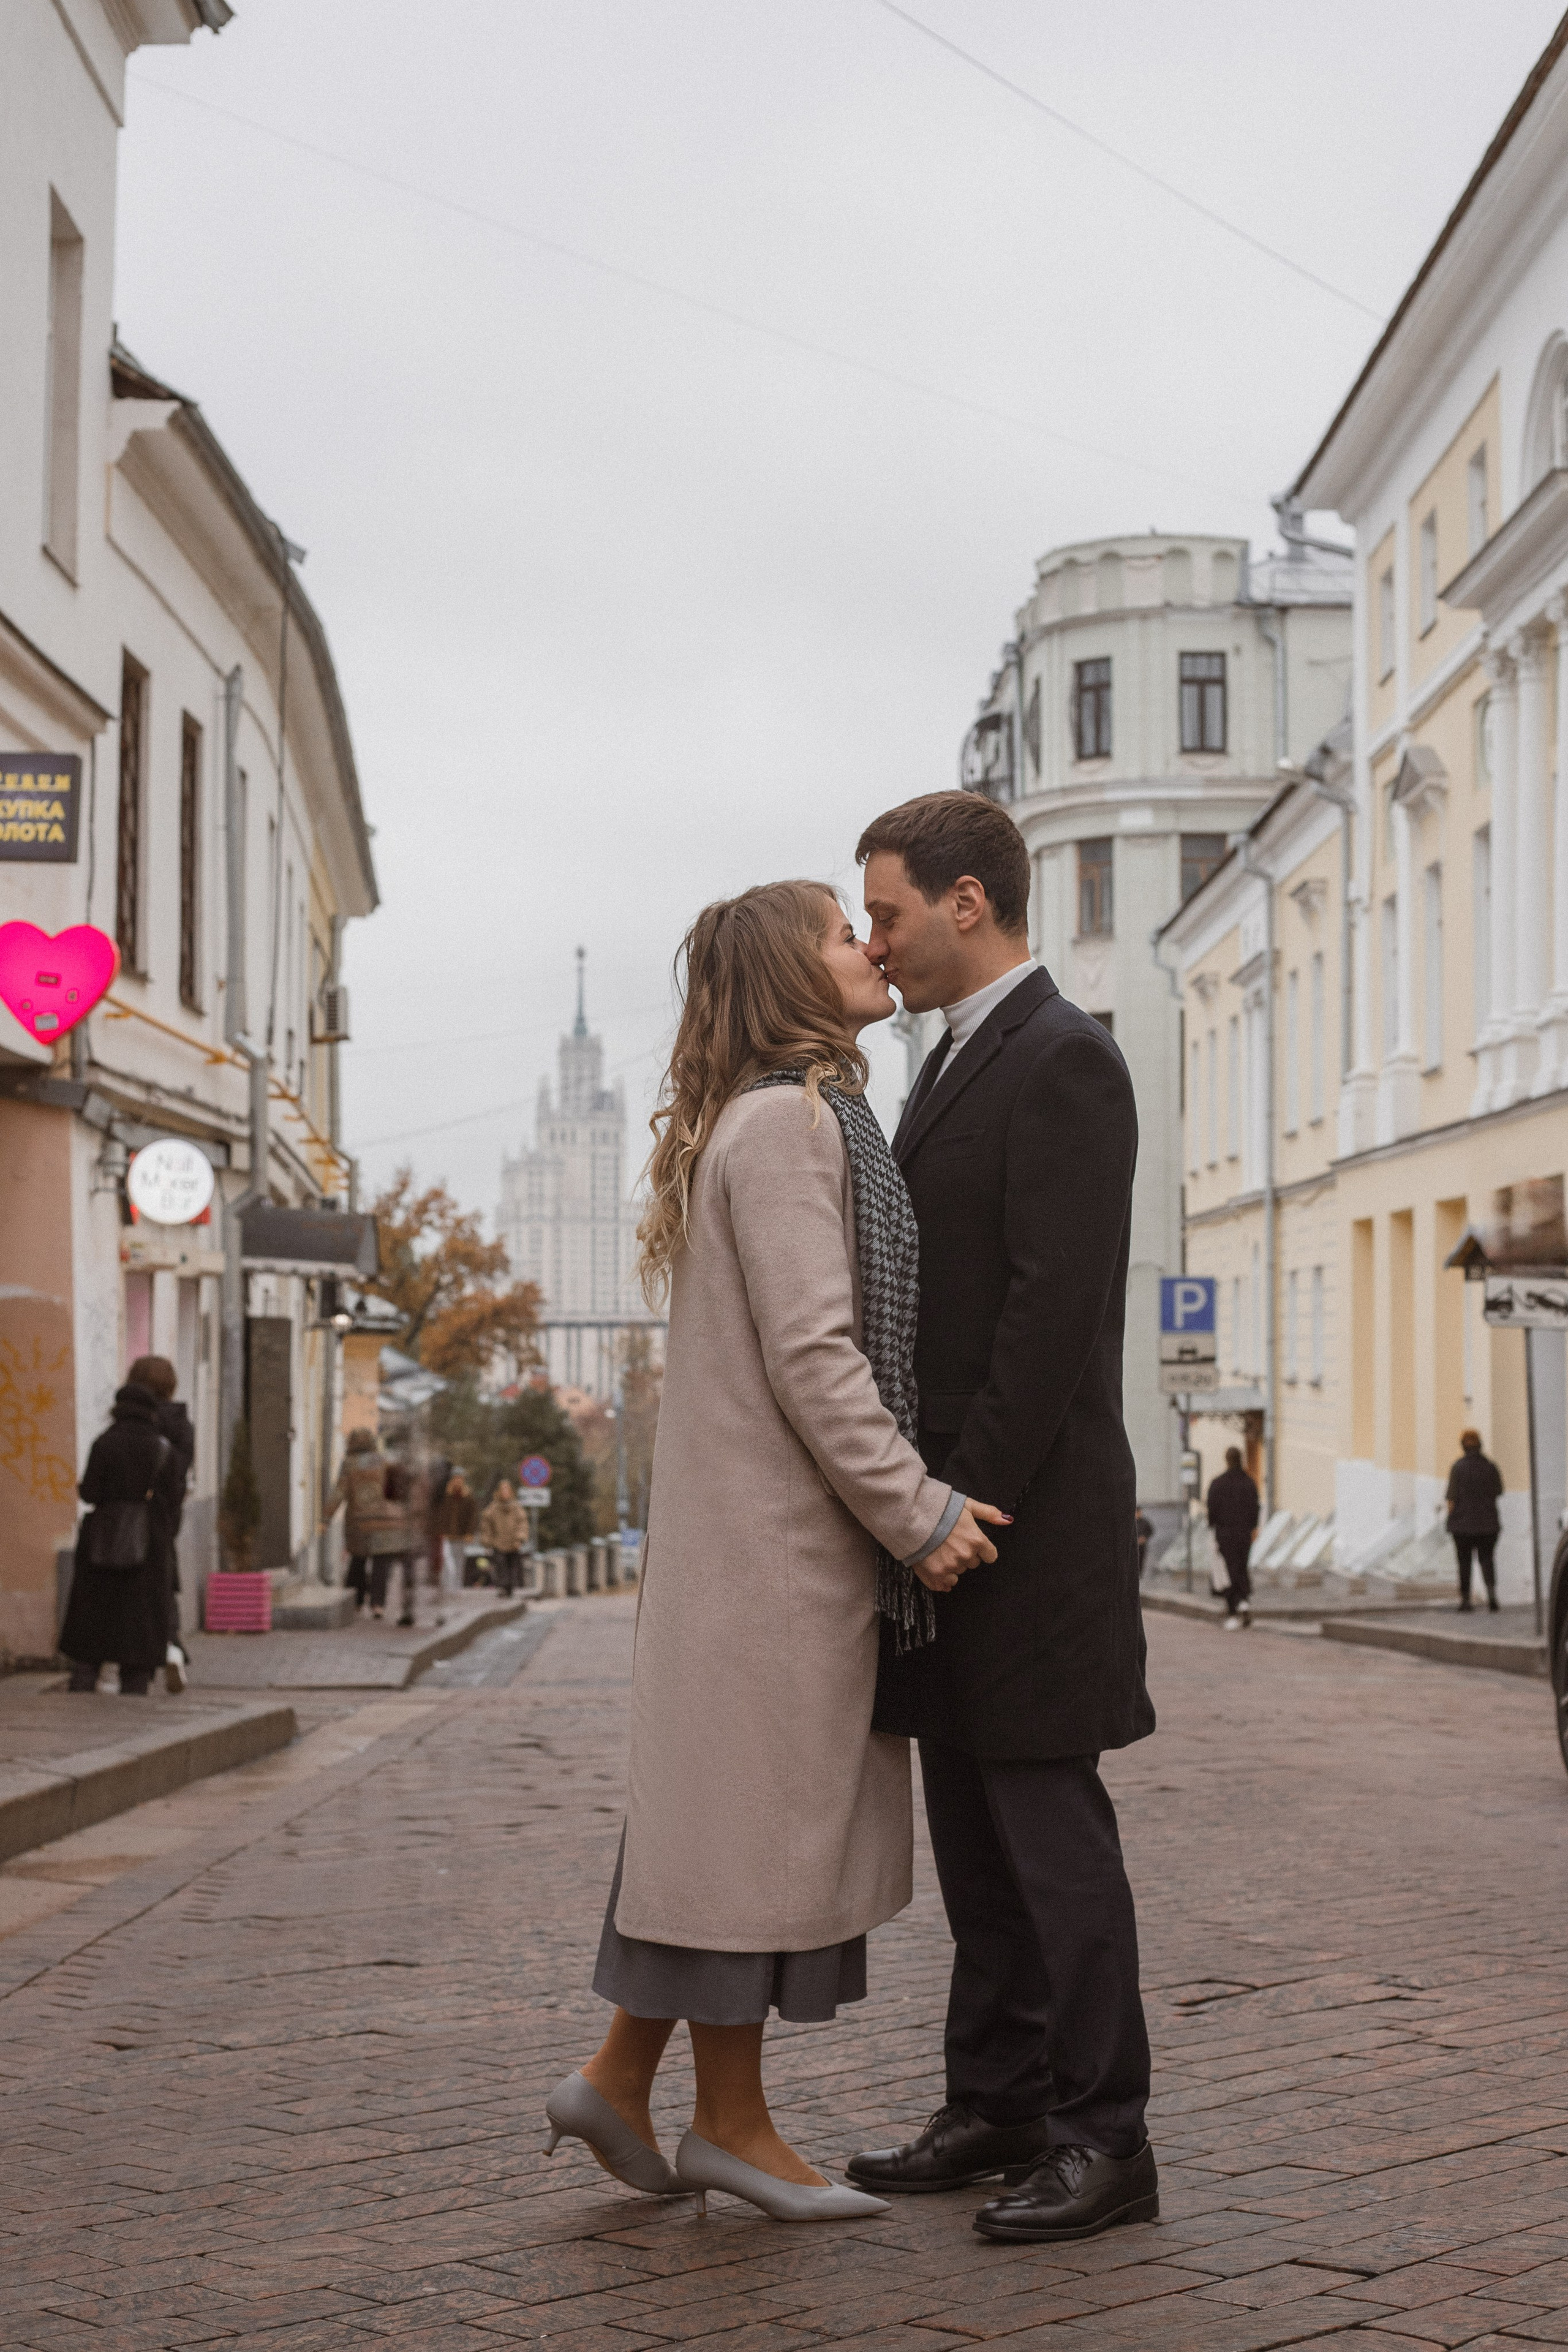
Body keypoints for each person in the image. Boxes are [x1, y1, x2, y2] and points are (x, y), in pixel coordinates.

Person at [544, 880, 1006, 2222]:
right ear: (789, 980)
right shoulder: (796, 1128)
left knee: (715, 1836)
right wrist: (915, 1513)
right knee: (744, 1845)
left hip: (744, 1561)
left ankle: (622, 2081)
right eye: (836, 931)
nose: (867, 944)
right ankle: (730, 2127)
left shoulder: (761, 1122)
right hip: (777, 1562)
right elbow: (820, 1358)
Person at [845, 790, 1158, 2249]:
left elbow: (1047, 1312)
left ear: (966, 902)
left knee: (1050, 1844)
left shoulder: (1066, 1058)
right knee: (976, 1839)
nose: (873, 940)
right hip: (955, 1525)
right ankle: (998, 2101)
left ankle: (1106, 2135)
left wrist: (953, 1499)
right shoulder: (955, 1058)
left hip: (1018, 1527)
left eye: (888, 913)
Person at [60, 1376, 187, 1695]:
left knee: (92, 1626)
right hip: (150, 1549)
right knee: (139, 1628)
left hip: (101, 1546)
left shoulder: (104, 1443)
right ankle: (135, 1690)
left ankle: (83, 1684)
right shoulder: (163, 1450)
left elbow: (89, 1492)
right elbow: (174, 1499)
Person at [125, 1354, 195, 1692]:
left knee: (134, 1593)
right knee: (164, 1586)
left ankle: (149, 1655)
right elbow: (179, 1477)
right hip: (166, 1518)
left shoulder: (136, 1421)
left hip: (130, 1518)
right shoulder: (182, 1426)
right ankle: (171, 1648)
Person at [325, 1427, 411, 1619]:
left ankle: (355, 1602)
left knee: (358, 1559)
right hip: (384, 1520)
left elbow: (340, 1492)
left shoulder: (350, 1464)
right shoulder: (383, 1462)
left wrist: (326, 1518)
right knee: (381, 1562)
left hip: (359, 1521)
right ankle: (378, 1604)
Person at [1446, 1430, 1503, 1613]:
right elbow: (1499, 1491)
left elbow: (1451, 1499)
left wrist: (1452, 1516)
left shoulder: (1458, 1467)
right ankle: (1492, 1597)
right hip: (1488, 1524)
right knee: (1488, 1560)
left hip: (1462, 1526)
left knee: (1464, 1563)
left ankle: (1465, 1601)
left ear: (1463, 1445)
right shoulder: (1490, 1466)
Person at [1207, 1447, 1259, 1632]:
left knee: (1228, 1571)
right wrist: (1252, 1528)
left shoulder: (1218, 1484)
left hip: (1225, 1533)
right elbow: (1255, 1509)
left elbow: (1211, 1511)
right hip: (1244, 1534)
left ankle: (1233, 1610)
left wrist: (1214, 1527)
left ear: (1226, 1460)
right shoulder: (1249, 1483)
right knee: (1241, 1567)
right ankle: (1244, 1601)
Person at [480, 1479, 529, 1595]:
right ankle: (503, 1587)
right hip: (499, 1543)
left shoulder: (517, 1508)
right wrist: (487, 1542)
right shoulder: (493, 1508)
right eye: (503, 1490)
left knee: (512, 1567)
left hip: (513, 1543)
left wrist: (520, 1539)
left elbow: (523, 1524)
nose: (505, 1493)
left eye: (507, 1490)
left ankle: (509, 1588)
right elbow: (486, 1525)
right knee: (501, 1566)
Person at [1134, 1507, 1155, 1582]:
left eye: (1139, 1512)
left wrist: (1145, 1538)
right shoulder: (1132, 1523)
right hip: (1134, 1546)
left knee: (1141, 1559)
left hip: (1142, 1546)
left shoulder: (1145, 1522)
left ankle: (1139, 1574)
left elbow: (1151, 1531)